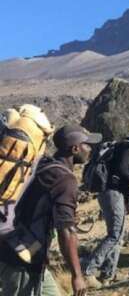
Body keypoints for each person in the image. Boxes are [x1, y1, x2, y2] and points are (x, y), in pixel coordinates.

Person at [0, 125, 102, 296]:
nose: (91, 148)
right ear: (75, 148)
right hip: (19, 260)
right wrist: (77, 275)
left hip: (22, 250)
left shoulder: (43, 165)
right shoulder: (65, 179)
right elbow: (67, 231)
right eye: (87, 144)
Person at [83, 123, 129, 287]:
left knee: (117, 234)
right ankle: (88, 270)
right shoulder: (128, 147)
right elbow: (122, 171)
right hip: (112, 192)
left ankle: (108, 274)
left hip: (114, 193)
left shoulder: (128, 147)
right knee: (115, 234)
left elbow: (122, 177)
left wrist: (128, 200)